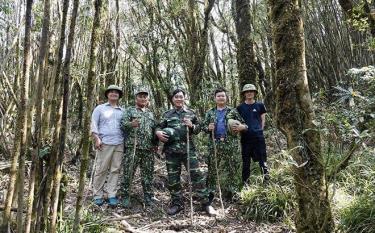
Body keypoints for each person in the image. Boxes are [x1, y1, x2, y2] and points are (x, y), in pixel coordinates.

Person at [155, 88, 217, 216]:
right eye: (176, 97)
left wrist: (192, 126)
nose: (179, 99)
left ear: (184, 98)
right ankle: (177, 204)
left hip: (188, 150)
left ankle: (205, 203)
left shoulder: (191, 113)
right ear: (172, 99)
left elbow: (199, 128)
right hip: (171, 152)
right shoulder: (167, 114)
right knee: (173, 179)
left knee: (197, 176)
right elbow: (158, 126)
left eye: (181, 96)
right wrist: (158, 132)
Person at [201, 88, 242, 202]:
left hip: (230, 143)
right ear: (215, 98)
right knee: (212, 169)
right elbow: (202, 127)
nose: (221, 98)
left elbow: (242, 124)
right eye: (218, 96)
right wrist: (208, 128)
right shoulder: (210, 112)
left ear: (226, 97)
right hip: (215, 143)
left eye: (223, 96)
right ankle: (210, 193)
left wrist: (240, 127)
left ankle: (231, 193)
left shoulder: (233, 111)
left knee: (231, 168)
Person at [120, 87, 158, 207]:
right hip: (133, 147)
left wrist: (155, 144)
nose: (143, 98)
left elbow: (155, 129)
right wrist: (131, 124)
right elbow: (122, 125)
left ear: (147, 99)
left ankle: (148, 197)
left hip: (148, 149)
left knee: (148, 174)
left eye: (145, 97)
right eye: (140, 96)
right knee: (128, 173)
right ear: (136, 98)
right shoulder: (129, 111)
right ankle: (125, 197)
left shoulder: (150, 113)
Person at [90, 85, 125, 206]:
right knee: (101, 169)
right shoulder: (100, 108)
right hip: (104, 143)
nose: (114, 94)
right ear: (107, 94)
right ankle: (97, 194)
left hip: (119, 143)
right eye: (111, 92)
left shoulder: (122, 111)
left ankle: (111, 194)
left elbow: (125, 127)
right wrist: (97, 138)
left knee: (115, 170)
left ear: (119, 95)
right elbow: (94, 124)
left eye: (116, 92)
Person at [229, 84, 269, 185]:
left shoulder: (260, 105)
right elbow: (236, 121)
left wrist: (260, 130)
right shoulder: (240, 108)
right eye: (247, 92)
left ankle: (267, 181)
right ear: (244, 94)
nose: (249, 93)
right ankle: (245, 183)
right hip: (245, 138)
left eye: (251, 91)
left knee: (262, 159)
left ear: (255, 93)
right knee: (246, 162)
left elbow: (263, 120)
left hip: (258, 137)